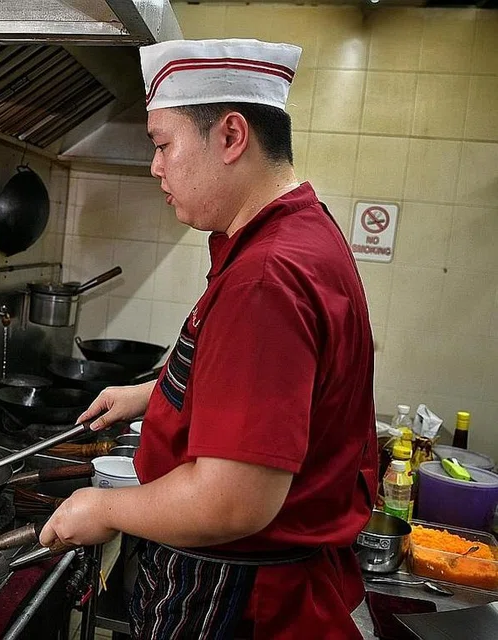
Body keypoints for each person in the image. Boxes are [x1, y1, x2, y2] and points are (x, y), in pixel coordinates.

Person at [39, 38, 378, 639]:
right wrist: (153, 393)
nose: (155, 166)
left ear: (230, 136)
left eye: (163, 144)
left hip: (241, 601)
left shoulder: (266, 278)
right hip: (270, 586)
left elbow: (233, 500)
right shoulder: (295, 233)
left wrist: (105, 508)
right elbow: (250, 376)